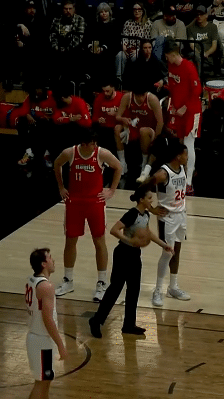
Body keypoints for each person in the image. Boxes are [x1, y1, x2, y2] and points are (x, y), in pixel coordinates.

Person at [89, 184, 173, 338]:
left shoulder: (145, 215)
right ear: (141, 199)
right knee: (115, 289)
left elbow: (148, 233)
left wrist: (164, 245)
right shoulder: (132, 214)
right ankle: (96, 320)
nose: (151, 201)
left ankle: (128, 324)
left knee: (134, 290)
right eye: (149, 198)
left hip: (135, 255)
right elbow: (114, 230)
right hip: (123, 253)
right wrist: (129, 240)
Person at [54, 128, 123, 301]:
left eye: (95, 143)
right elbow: (57, 164)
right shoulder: (70, 153)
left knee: (99, 241)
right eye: (92, 143)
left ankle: (102, 282)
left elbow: (118, 167)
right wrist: (61, 187)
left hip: (95, 203)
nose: (94, 145)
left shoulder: (101, 154)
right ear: (83, 144)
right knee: (70, 241)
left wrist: (112, 190)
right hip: (75, 203)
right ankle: (68, 280)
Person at [25, 248, 66, 399]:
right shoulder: (46, 286)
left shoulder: (32, 280)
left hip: (37, 337)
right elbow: (48, 319)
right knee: (41, 384)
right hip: (41, 340)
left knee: (45, 382)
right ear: (43, 264)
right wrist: (60, 344)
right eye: (50, 258)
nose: (53, 260)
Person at [147, 141, 191, 306]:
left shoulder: (183, 168)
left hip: (181, 215)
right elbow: (143, 186)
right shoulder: (162, 173)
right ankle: (158, 290)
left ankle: (173, 287)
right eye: (185, 154)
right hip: (167, 217)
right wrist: (151, 209)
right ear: (178, 156)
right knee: (167, 253)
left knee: (176, 252)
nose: (187, 157)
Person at [162, 38, 202, 194]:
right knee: (180, 142)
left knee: (189, 142)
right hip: (178, 110)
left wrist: (185, 107)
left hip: (191, 110)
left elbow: (197, 91)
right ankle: (182, 173)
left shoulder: (189, 67)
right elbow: (173, 86)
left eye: (167, 56)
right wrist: (172, 103)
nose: (166, 59)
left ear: (173, 54)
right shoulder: (171, 66)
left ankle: (189, 181)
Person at [115, 83, 164, 181]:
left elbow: (160, 122)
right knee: (117, 128)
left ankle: (144, 164)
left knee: (143, 131)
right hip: (133, 127)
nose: (141, 98)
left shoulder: (152, 99)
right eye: (138, 96)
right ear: (133, 94)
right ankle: (123, 164)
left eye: (143, 95)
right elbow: (118, 117)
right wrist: (123, 119)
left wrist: (156, 139)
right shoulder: (127, 97)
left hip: (149, 130)